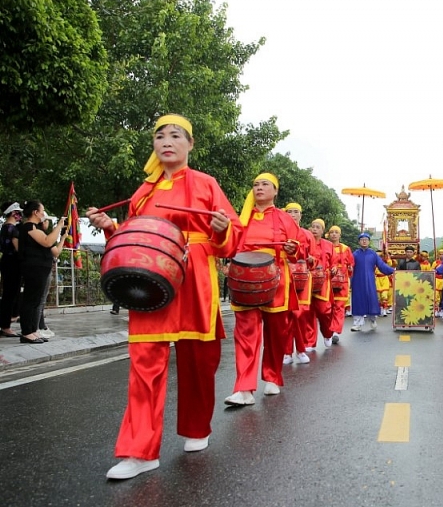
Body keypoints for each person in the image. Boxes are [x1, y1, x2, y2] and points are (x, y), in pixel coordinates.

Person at [87, 114, 242, 480]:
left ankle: (196, 428)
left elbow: (233, 239)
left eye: (175, 136)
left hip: (195, 275)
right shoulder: (144, 191)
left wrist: (221, 232)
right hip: (153, 278)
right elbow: (132, 237)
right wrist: (111, 227)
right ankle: (139, 451)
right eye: (160, 136)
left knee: (199, 359)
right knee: (144, 360)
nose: (166, 141)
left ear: (190, 144)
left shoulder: (207, 184)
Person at [226, 173, 302, 405]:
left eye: (265, 184)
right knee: (245, 332)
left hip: (275, 279)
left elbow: (299, 250)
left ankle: (272, 376)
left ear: (275, 191)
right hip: (245, 281)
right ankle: (244, 389)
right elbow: (230, 244)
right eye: (256, 185)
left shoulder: (284, 219)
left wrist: (292, 249)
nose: (259, 188)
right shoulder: (242, 218)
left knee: (277, 332)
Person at [17, 201, 67, 344]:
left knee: (36, 300)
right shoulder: (29, 227)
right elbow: (46, 241)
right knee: (30, 300)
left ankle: (33, 330)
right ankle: (26, 331)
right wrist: (58, 226)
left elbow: (54, 249)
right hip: (33, 268)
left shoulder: (37, 229)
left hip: (41, 269)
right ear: (35, 212)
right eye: (42, 210)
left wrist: (62, 237)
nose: (44, 214)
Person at [284, 202, 314, 361]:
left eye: (296, 211)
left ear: (301, 215)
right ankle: (287, 352)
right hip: (284, 276)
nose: (293, 214)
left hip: (303, 278)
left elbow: (315, 259)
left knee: (300, 314)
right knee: (285, 316)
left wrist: (310, 259)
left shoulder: (307, 235)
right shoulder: (279, 232)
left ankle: (301, 349)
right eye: (289, 211)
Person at [350, 233, 394, 331]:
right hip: (357, 281)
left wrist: (392, 271)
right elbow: (349, 267)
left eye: (366, 239)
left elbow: (381, 265)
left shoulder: (373, 254)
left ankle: (373, 319)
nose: (364, 241)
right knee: (358, 301)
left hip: (370, 280)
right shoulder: (354, 254)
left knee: (371, 299)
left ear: (369, 241)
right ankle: (357, 323)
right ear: (359, 242)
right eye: (362, 239)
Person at [309, 219, 335, 347]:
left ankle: (328, 333)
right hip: (307, 279)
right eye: (312, 226)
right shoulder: (306, 242)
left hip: (323, 280)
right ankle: (309, 342)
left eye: (317, 227)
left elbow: (333, 262)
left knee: (324, 310)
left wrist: (334, 268)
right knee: (307, 311)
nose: (314, 229)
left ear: (322, 230)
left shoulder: (328, 245)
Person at [328, 225, 354, 344]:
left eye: (336, 232)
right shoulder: (325, 246)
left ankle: (334, 331)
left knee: (339, 307)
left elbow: (351, 264)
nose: (334, 234)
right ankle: (327, 331)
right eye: (332, 232)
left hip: (342, 281)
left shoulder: (345, 248)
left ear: (340, 235)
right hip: (327, 280)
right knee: (327, 308)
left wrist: (349, 268)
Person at [0, 202, 23, 337]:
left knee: (8, 294)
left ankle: (5, 322)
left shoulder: (3, 228)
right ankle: (5, 326)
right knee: (10, 294)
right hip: (13, 263)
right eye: (18, 213)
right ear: (13, 213)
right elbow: (18, 249)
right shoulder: (12, 229)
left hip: (5, 261)